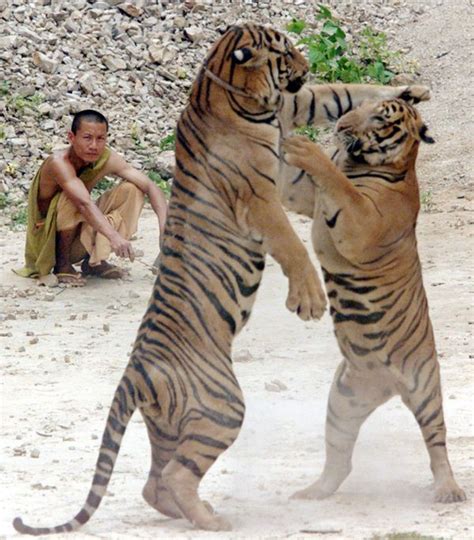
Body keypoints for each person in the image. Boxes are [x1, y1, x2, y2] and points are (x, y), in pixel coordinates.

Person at [15, 109, 168, 286]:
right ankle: (62, 265)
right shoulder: (59, 163)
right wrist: (114, 238)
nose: (94, 145)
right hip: (49, 244)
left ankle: (94, 261)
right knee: (71, 196)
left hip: (80, 231)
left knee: (132, 190)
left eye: (100, 138)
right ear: (71, 137)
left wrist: (165, 227)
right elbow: (84, 203)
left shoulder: (105, 157)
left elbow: (150, 186)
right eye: (87, 138)